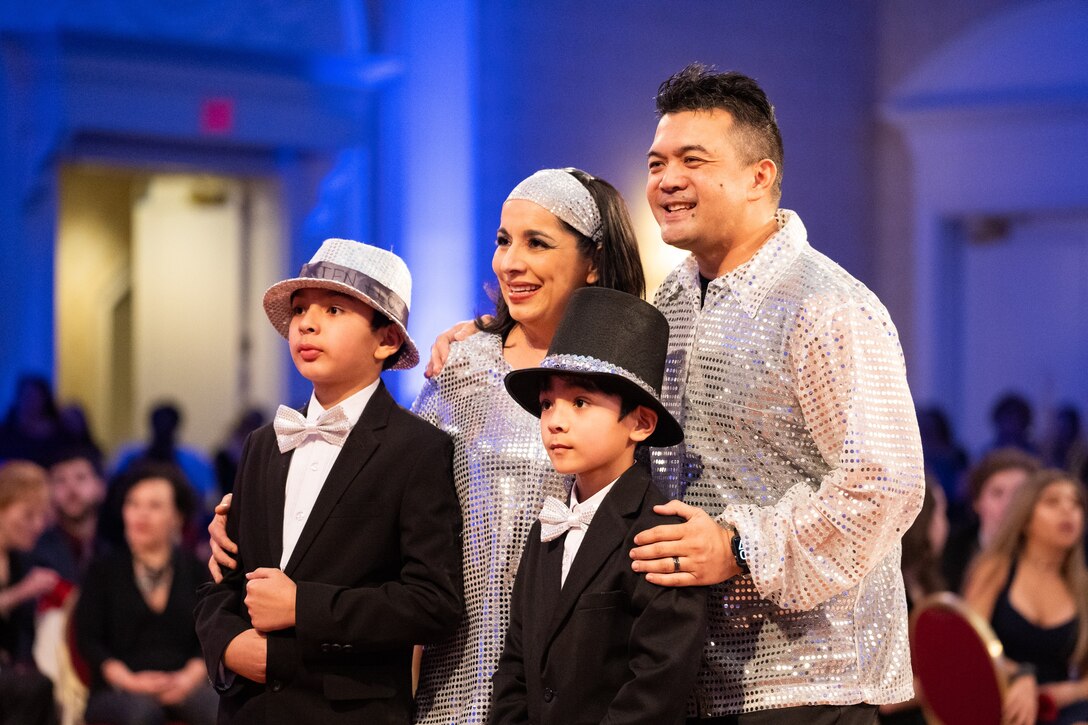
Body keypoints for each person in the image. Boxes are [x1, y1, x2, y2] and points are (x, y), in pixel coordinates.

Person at [207, 167, 646, 724]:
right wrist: (244, 518)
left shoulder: (625, 377)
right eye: (504, 241)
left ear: (594, 261)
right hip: (457, 662)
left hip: (575, 660)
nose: (511, 261)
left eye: (537, 243)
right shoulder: (463, 365)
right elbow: (378, 492)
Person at [619, 63, 925, 723]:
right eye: (656, 162)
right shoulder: (669, 298)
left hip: (815, 679)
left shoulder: (828, 305)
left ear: (760, 177)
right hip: (687, 667)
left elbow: (886, 481)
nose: (666, 180)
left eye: (692, 160)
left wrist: (736, 546)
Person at [194, 238, 463, 724]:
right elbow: (224, 578)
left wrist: (304, 605)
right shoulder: (262, 442)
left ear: (386, 341)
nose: (307, 324)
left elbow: (432, 603)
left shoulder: (417, 449)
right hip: (249, 708)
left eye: (334, 309)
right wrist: (227, 643)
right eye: (300, 311)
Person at [490, 287, 705, 725]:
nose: (555, 420)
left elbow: (657, 680)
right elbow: (515, 663)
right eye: (548, 403)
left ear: (640, 423)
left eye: (581, 402)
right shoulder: (547, 526)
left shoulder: (659, 530)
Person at [75, 463, 217, 725]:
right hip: (118, 689)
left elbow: (211, 634)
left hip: (185, 684)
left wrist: (188, 679)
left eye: (154, 506)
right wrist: (128, 680)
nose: (141, 514)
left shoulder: (197, 570)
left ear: (177, 517)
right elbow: (88, 639)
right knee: (140, 715)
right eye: (133, 504)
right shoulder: (102, 569)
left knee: (224, 711)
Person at [963, 469, 1088, 725]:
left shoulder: (1082, 587)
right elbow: (968, 646)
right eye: (1052, 502)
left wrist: (1069, 692)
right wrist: (1020, 674)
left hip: (1060, 709)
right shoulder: (996, 568)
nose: (1068, 511)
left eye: (1076, 503)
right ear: (1025, 519)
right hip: (999, 700)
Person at [0, 460, 60, 725]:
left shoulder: (20, 559)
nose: (37, 526)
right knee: (35, 688)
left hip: (9, 670)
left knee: (37, 684)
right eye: (28, 515)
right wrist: (21, 592)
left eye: (42, 517)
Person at [941, 448, 1040, 594]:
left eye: (1019, 493)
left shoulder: (1050, 550)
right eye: (997, 493)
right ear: (977, 501)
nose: (1009, 504)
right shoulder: (950, 553)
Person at [31, 446, 110, 586]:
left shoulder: (117, 546)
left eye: (81, 478)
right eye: (60, 480)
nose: (71, 489)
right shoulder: (34, 550)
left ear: (100, 487)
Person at [0, 375, 74, 467]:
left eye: (35, 397)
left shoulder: (58, 434)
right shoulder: (6, 431)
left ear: (44, 401)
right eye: (26, 396)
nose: (30, 402)